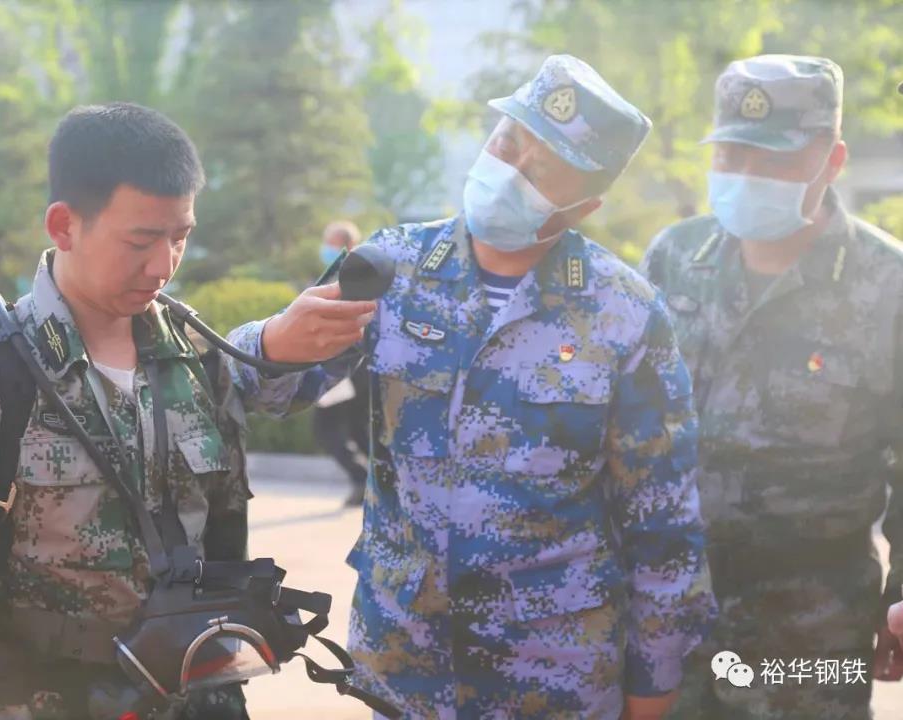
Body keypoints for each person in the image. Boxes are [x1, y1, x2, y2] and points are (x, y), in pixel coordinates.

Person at [0, 103, 375, 720]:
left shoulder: (190, 355)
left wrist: (294, 333)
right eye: (140, 240)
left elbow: (256, 372)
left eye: (180, 237)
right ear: (64, 225)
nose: (163, 265)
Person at [333, 55, 715, 719]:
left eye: (540, 170)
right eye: (507, 143)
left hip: (553, 681)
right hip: (403, 672)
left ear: (584, 205)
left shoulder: (623, 312)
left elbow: (662, 520)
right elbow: (266, 382)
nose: (509, 170)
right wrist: (271, 340)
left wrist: (653, 686)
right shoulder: (389, 266)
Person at [640, 55, 903, 719]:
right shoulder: (674, 258)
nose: (747, 174)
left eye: (774, 158)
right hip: (670, 614)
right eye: (731, 155)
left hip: (811, 627)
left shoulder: (887, 286)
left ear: (832, 161)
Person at [315, 220, 371, 506]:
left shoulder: (345, 277)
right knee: (359, 429)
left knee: (326, 429)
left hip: (342, 368)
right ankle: (383, 481)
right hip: (359, 367)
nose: (326, 248)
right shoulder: (363, 273)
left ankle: (363, 479)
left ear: (347, 245)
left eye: (331, 243)